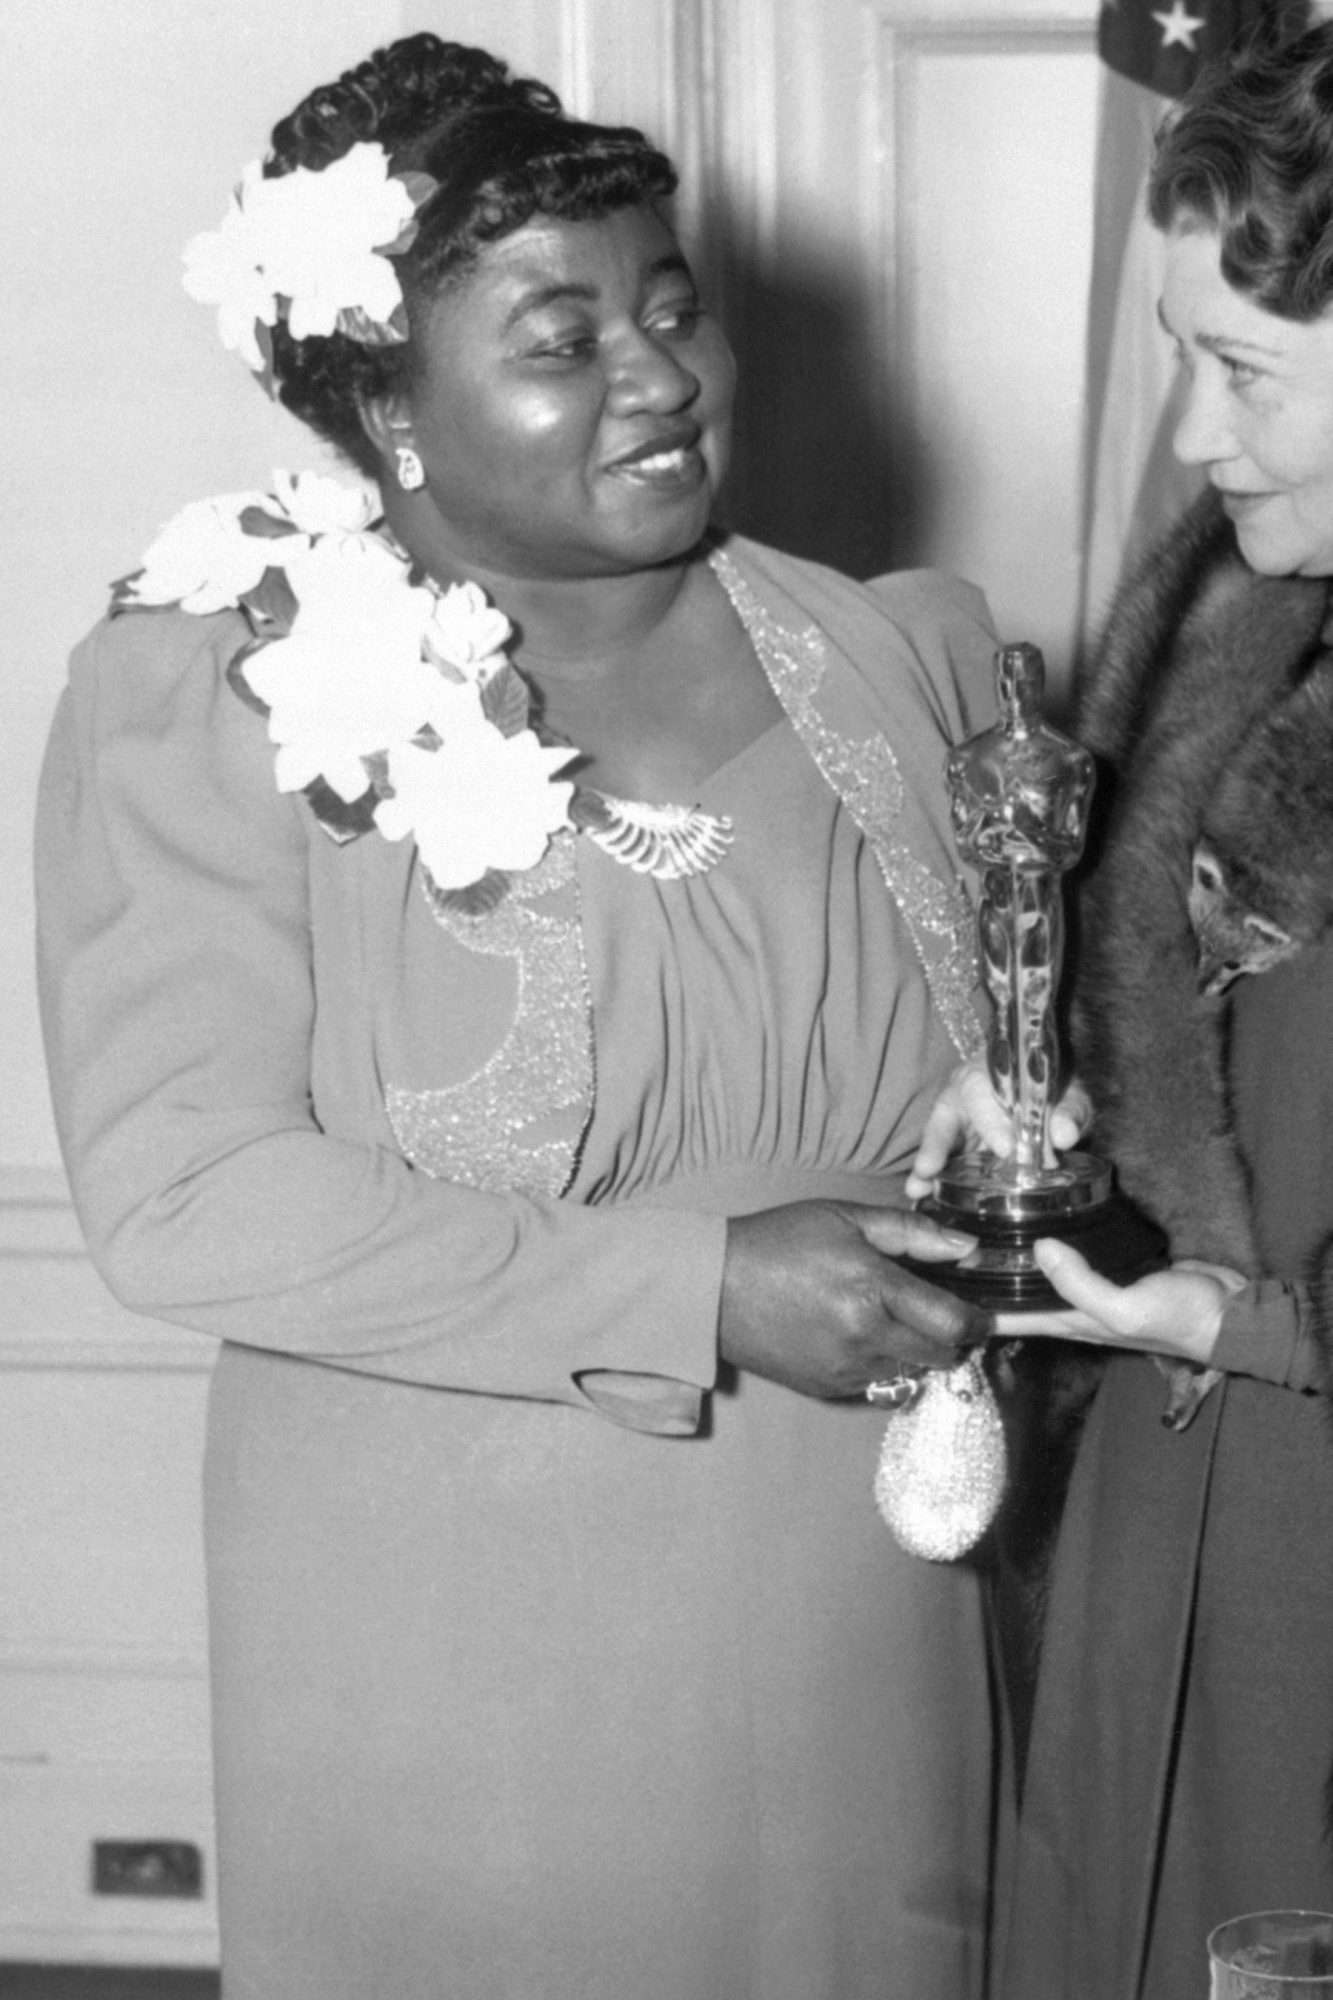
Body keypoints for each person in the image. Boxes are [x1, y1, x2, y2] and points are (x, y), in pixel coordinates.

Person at [35, 33, 1010, 2000]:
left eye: (672, 308)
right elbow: (184, 1198)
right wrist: (697, 1290)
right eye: (560, 337)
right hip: (449, 1643)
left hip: (853, 1606)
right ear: (389, 400)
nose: (659, 373)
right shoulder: (211, 694)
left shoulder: (902, 653)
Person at [912, 21, 1333, 1997]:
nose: (1186, 437)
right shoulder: (1240, 615)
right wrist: (1034, 1095)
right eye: (1181, 352)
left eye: (1239, 364)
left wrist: (1255, 1323)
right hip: (1175, 1492)